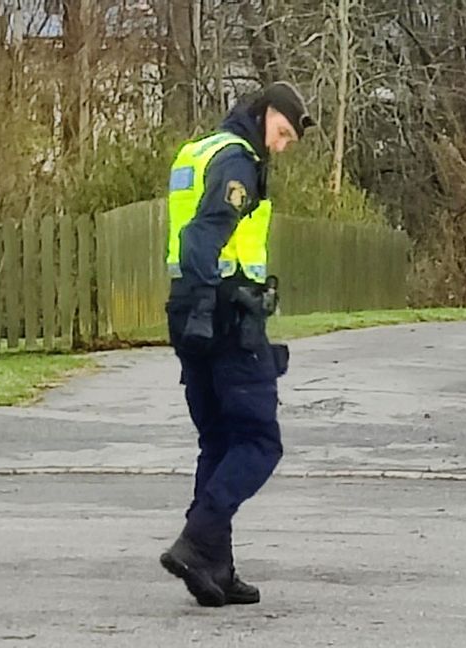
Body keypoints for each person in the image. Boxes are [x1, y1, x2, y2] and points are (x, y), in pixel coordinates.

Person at [159, 82, 315, 607]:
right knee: (258, 441)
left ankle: (215, 571)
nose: (283, 145)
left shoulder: (197, 151)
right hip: (225, 313)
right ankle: (198, 540)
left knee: (219, 441)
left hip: (186, 309)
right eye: (283, 132)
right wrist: (212, 303)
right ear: (264, 114)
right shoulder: (237, 161)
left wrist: (195, 307)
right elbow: (203, 235)